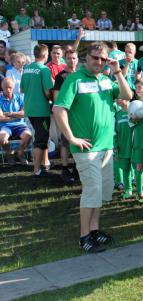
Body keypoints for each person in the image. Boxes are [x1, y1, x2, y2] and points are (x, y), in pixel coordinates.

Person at [53, 42, 133, 253]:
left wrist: (117, 72)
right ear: (85, 58)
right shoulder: (74, 80)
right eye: (95, 58)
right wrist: (71, 138)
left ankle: (95, 230)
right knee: (92, 191)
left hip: (106, 147)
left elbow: (127, 96)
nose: (99, 62)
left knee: (101, 191)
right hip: (86, 149)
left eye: (103, 59)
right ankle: (84, 236)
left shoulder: (107, 80)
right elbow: (59, 109)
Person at [20, 44, 53, 176]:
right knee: (40, 140)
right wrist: (53, 97)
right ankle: (37, 170)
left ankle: (45, 163)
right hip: (41, 110)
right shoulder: (44, 70)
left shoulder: (27, 68)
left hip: (29, 109)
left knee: (42, 137)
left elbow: (22, 89)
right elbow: (47, 92)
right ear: (45, 55)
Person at [53, 49, 79, 183]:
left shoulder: (81, 75)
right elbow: (56, 98)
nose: (72, 60)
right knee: (65, 142)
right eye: (69, 58)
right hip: (66, 115)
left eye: (74, 58)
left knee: (78, 140)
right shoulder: (60, 77)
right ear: (65, 59)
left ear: (77, 59)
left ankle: (76, 167)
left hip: (80, 115)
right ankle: (64, 168)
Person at [0, 77, 32, 165]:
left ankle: (20, 153)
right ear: (2, 87)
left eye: (10, 87)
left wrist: (8, 113)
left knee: (28, 135)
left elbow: (24, 113)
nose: (8, 89)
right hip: (5, 126)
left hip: (20, 125)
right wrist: (16, 115)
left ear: (13, 87)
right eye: (6, 87)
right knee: (2, 139)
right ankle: (10, 154)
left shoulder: (20, 97)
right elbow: (0, 117)